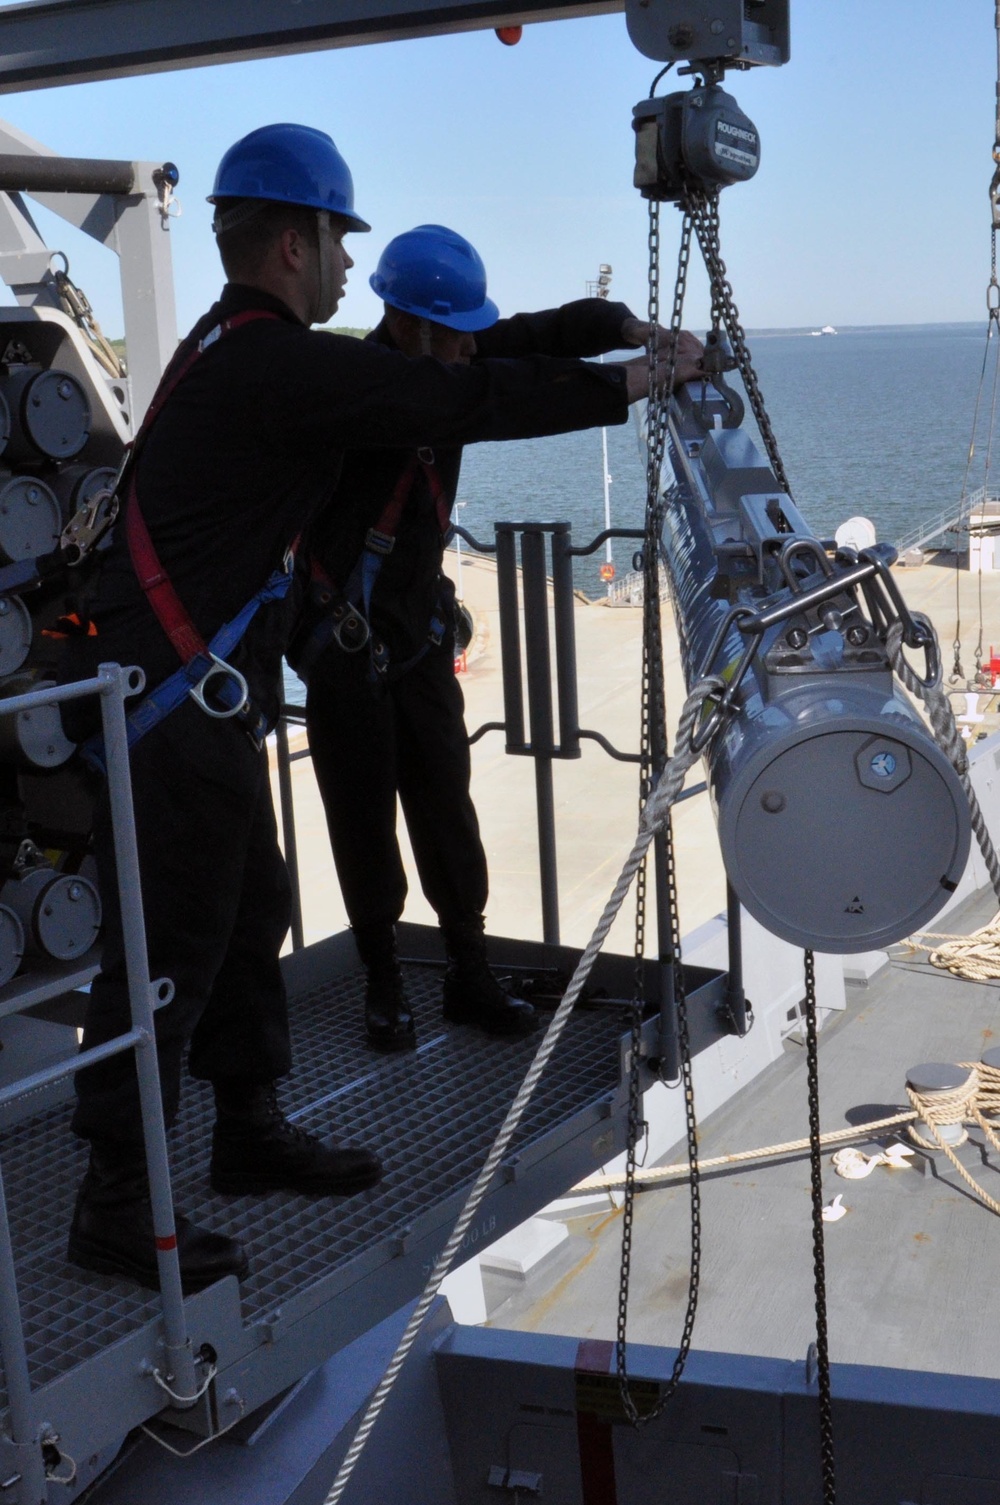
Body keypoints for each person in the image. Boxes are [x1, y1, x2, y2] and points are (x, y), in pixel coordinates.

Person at [59, 123, 693, 1295]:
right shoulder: (275, 366)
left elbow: (475, 356)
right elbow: (463, 393)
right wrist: (636, 382)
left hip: (184, 696)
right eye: (340, 243)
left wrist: (611, 336)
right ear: (294, 244)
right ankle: (111, 1203)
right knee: (171, 956)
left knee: (251, 907)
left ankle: (246, 1129)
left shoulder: (244, 352)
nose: (350, 267)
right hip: (166, 707)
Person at [297, 224, 701, 1054]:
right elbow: (516, 397)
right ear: (408, 325)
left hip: (414, 632)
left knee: (446, 806)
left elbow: (539, 338)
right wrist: (644, 380)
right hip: (345, 649)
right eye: (454, 333)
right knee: (362, 817)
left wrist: (630, 329)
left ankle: (468, 971)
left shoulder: (452, 351)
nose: (469, 346)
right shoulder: (371, 388)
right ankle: (382, 981)